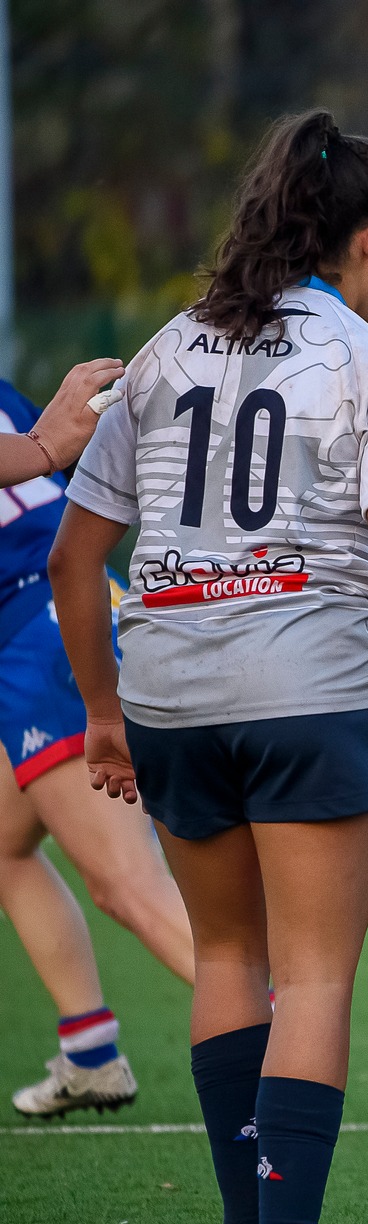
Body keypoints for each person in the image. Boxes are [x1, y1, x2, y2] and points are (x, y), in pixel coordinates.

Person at [50, 109, 368, 1224]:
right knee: (318, 975)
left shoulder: (165, 347)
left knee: (227, 960)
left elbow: (77, 563)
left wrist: (102, 712)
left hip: (169, 690)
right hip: (304, 688)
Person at [0, 365, 196, 1120]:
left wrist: (45, 442)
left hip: (32, 632)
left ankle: (285, 1036)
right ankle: (89, 1051)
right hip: (81, 605)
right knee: (7, 847)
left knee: (126, 881)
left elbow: (51, 449)